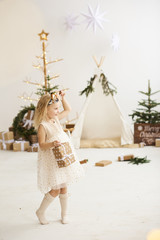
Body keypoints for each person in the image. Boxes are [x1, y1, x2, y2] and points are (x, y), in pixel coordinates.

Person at [34, 91, 84, 225]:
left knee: (64, 187)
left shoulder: (55, 118)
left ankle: (64, 214)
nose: (58, 111)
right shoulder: (43, 126)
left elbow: (68, 109)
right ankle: (40, 211)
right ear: (46, 109)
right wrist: (52, 144)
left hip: (63, 156)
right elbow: (42, 145)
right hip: (53, 159)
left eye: (58, 108)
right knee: (55, 189)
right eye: (55, 109)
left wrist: (63, 98)